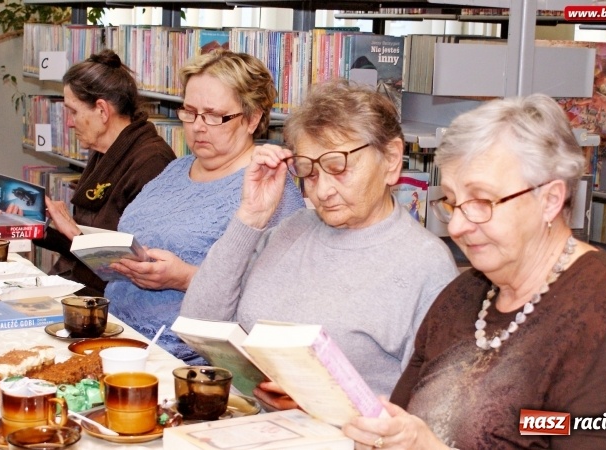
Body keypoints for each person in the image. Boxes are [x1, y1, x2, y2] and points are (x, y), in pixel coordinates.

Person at [342, 94, 606, 450]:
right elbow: (403, 416)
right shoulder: (464, 295)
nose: (456, 226)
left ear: (548, 200)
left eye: (482, 202)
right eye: (453, 202)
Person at [181, 79, 458, 406]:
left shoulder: (426, 266)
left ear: (392, 159)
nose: (322, 190)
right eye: (309, 172)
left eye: (338, 167)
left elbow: (428, 413)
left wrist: (316, 402)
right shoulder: (290, 230)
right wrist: (250, 217)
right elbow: (198, 325)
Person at [105, 50, 305, 361]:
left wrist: (184, 277)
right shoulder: (176, 169)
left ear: (252, 119)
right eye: (189, 112)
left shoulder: (270, 187)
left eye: (214, 116)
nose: (198, 126)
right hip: (116, 338)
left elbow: (276, 300)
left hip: (186, 360)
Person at [27, 49, 176, 297]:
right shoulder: (104, 149)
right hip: (75, 283)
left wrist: (72, 233)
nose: (69, 122)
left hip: (109, 299)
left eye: (73, 111)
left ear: (102, 110)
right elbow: (83, 239)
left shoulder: (151, 163)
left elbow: (136, 264)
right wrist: (36, 228)